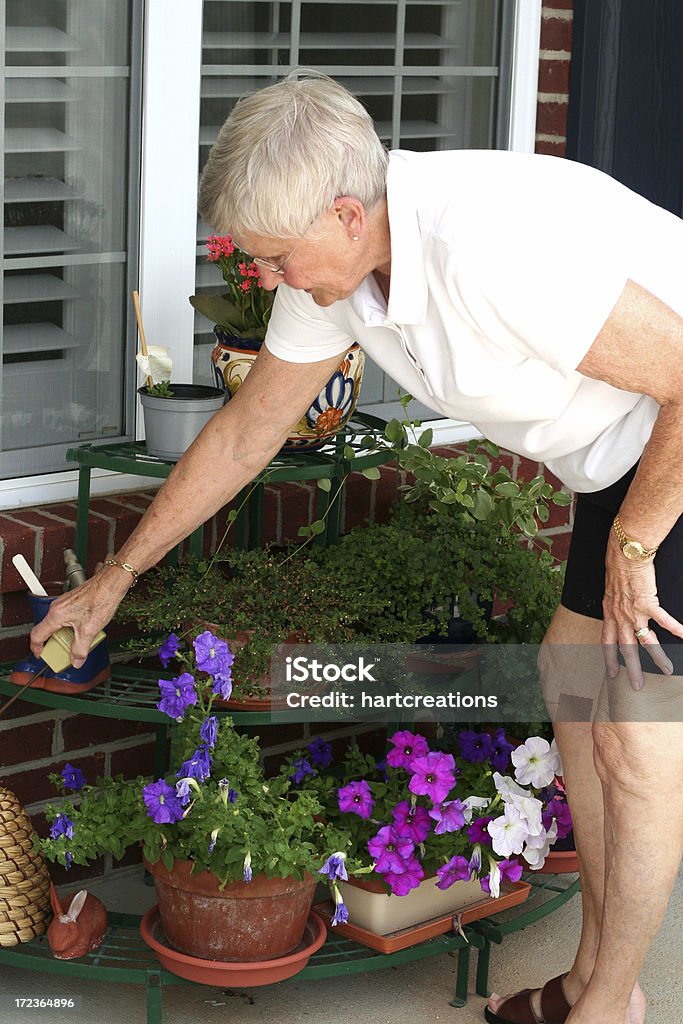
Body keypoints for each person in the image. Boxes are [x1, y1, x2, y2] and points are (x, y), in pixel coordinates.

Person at [32, 71, 683, 1024]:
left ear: (344, 212)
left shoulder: (490, 247)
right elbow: (247, 432)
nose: (265, 278)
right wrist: (113, 581)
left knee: (634, 735)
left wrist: (632, 551)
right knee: (570, 681)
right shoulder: (340, 270)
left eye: (275, 258)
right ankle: (600, 986)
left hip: (671, 440)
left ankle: (602, 1017)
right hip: (626, 446)